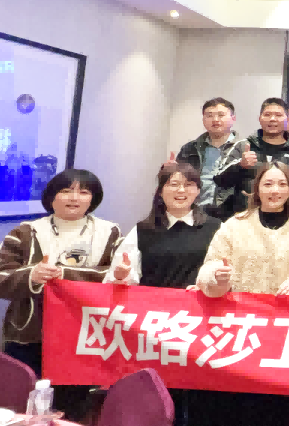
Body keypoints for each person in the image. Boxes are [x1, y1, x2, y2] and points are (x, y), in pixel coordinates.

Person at [0, 170, 120, 421]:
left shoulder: (110, 233)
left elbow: (119, 278)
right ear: (51, 197)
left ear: (93, 199)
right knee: (23, 407)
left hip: (83, 338)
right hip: (29, 336)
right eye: (66, 191)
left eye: (83, 192)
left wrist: (64, 274)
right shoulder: (25, 232)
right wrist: (32, 275)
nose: (74, 198)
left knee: (73, 409)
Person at [196, 162, 289, 425]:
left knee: (286, 409)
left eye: (282, 184)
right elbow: (208, 268)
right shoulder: (235, 225)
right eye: (268, 184)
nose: (275, 190)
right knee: (244, 406)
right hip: (243, 333)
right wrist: (217, 277)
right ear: (257, 189)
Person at [102, 162, 221, 426]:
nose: (181, 191)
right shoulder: (142, 230)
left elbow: (225, 271)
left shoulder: (215, 228)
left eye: (189, 184)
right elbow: (121, 278)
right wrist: (121, 275)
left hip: (201, 323)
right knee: (159, 391)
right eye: (173, 184)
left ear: (198, 191)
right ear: (160, 190)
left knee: (200, 393)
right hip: (155, 325)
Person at [214, 97, 289, 216]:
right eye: (267, 114)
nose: (272, 119)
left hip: (287, 218)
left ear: (287, 119)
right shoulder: (243, 146)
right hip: (246, 217)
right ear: (259, 118)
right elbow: (219, 180)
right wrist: (240, 165)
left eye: (278, 115)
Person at [175, 97, 241, 220]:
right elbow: (178, 181)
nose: (215, 120)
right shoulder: (190, 149)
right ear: (203, 119)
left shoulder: (245, 148)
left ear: (233, 118)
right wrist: (169, 171)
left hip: (232, 216)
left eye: (221, 115)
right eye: (209, 115)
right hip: (194, 213)